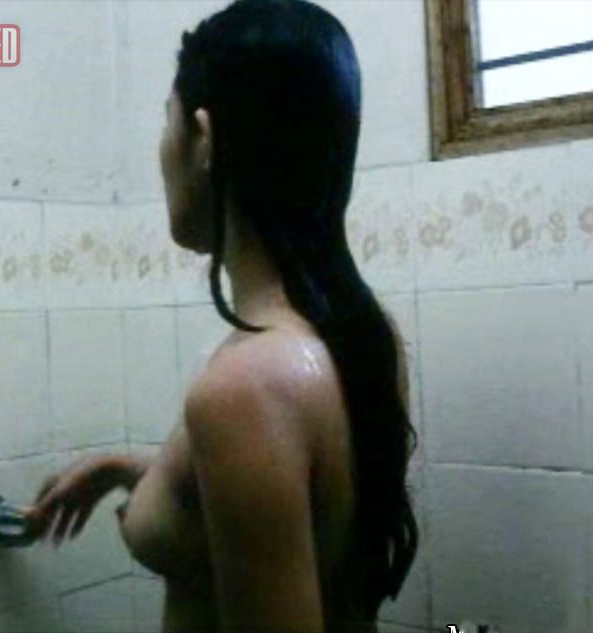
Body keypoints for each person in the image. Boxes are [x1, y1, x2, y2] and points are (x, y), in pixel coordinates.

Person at [25, 1, 419, 631]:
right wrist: (127, 471)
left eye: (167, 122)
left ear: (204, 141)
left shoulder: (245, 388)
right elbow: (289, 507)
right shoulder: (363, 335)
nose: (163, 150)